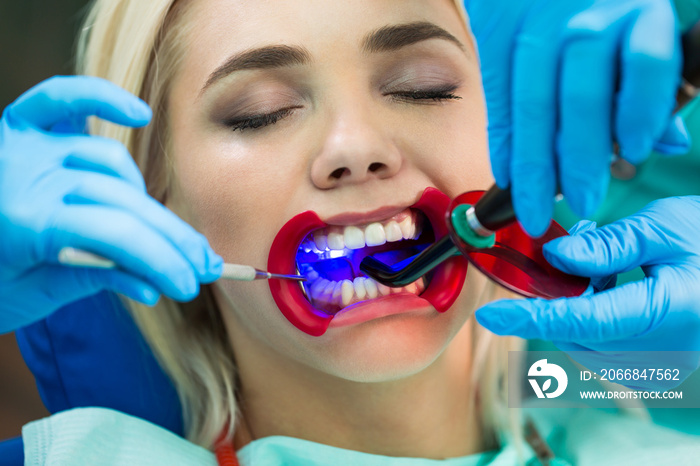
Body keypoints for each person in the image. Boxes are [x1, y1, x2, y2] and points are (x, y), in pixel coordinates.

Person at [0, 0, 698, 465]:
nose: (355, 146)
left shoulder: (614, 403)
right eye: (259, 112)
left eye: (422, 86)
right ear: (156, 197)